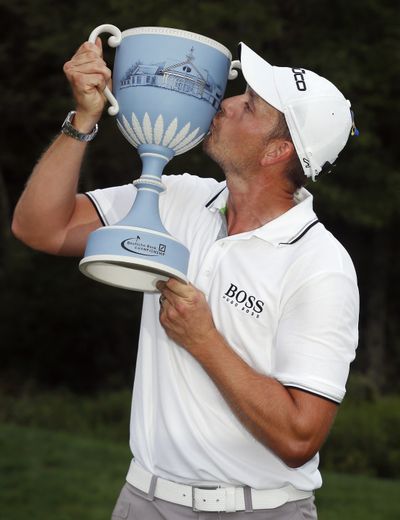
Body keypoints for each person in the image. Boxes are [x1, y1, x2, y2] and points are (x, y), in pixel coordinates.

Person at [12, 36, 359, 520]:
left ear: (276, 150)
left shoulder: (321, 264)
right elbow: (41, 228)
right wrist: (84, 119)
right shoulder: (179, 197)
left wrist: (203, 339)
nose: (226, 102)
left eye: (250, 105)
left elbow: (299, 437)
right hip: (143, 499)